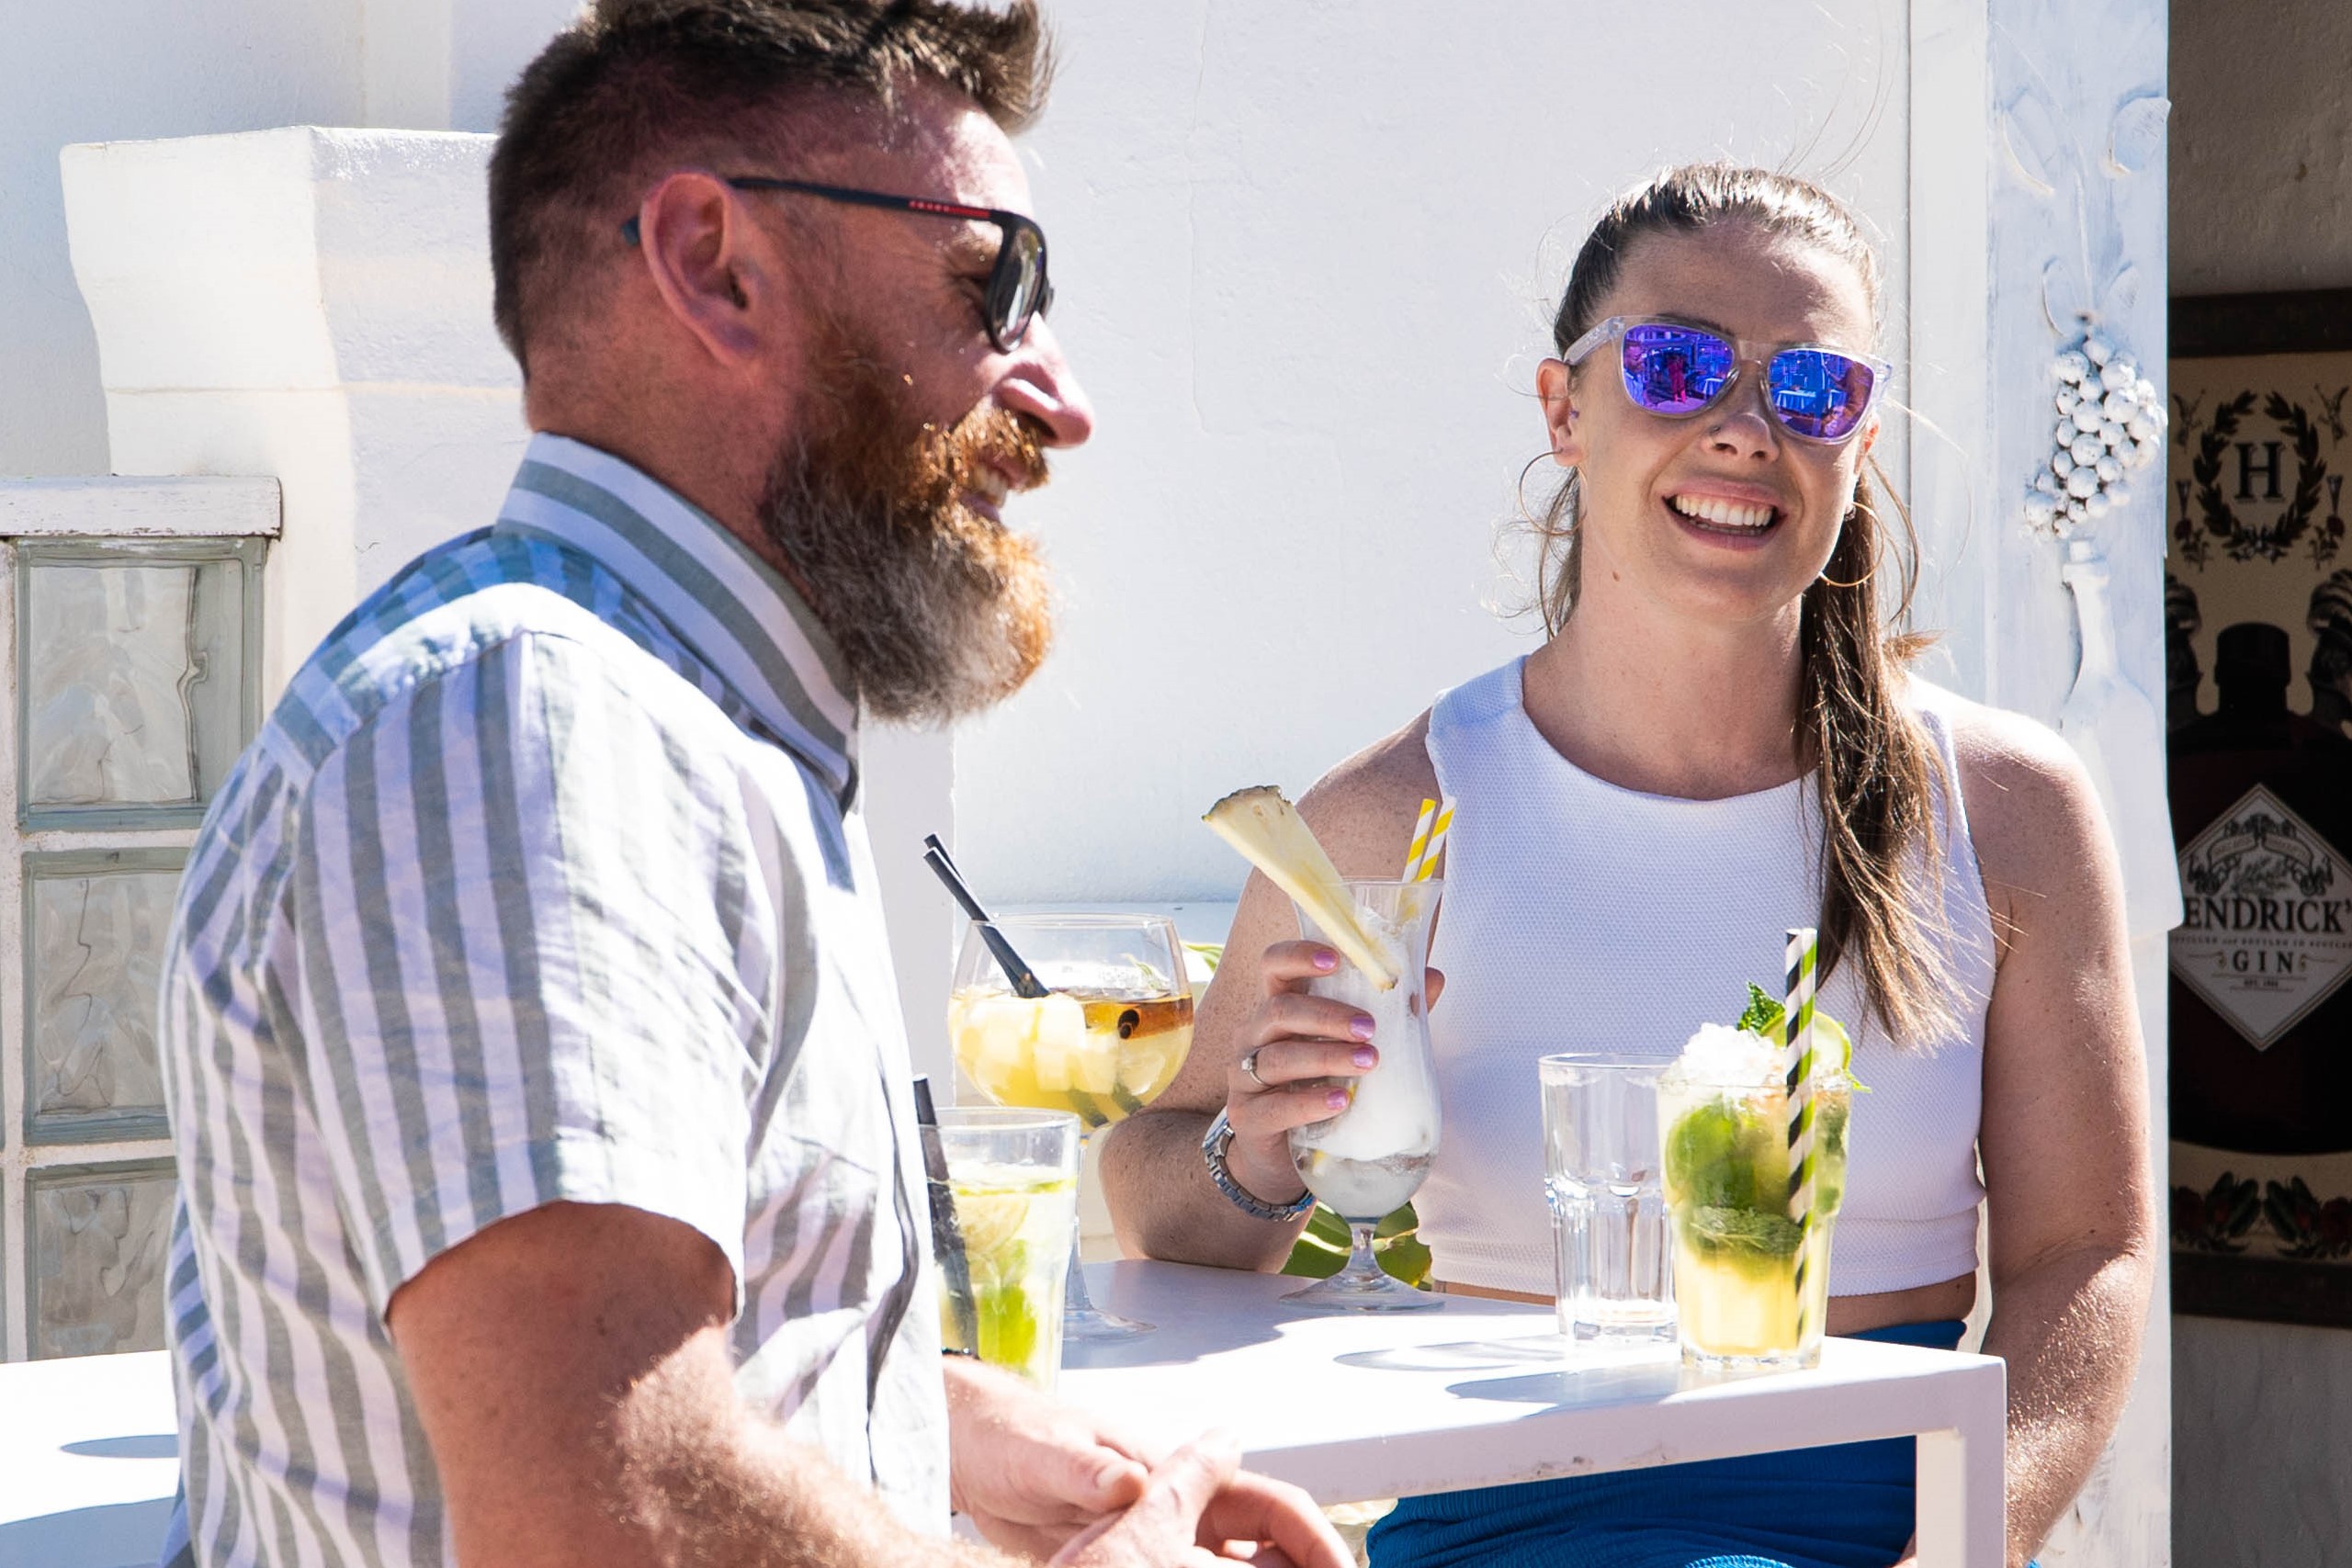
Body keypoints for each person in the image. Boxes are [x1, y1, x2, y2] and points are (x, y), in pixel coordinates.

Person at [153, 5, 1346, 1567]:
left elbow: (625, 1380)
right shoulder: (546, 728)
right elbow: (604, 1511)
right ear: (716, 265)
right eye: (995, 283)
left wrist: (924, 1418)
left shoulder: (665, 730)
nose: (1058, 394)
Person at [1102, 164, 2157, 1568]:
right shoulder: (1394, 814)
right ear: (1565, 410)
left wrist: (1972, 1543)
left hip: (1879, 1536)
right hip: (1497, 1533)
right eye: (1675, 366)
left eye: (1811, 388)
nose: (1740, 430)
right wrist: (1260, 1143)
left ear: (1862, 438)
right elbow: (1159, 1191)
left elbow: (2084, 1255)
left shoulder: (2004, 807)